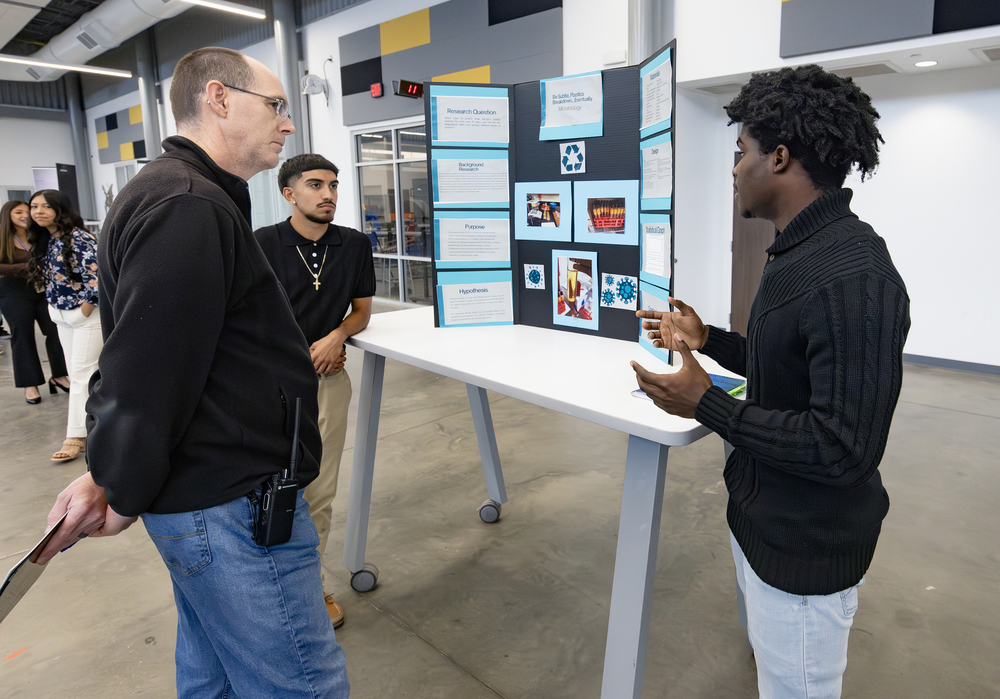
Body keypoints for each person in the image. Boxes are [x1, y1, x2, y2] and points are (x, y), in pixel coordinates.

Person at [37, 47, 349, 698]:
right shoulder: (188, 205)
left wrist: (109, 471)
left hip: (208, 500)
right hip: (232, 506)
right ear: (218, 98)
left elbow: (145, 349)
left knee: (215, 680)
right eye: (276, 106)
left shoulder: (177, 194)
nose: (287, 124)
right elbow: (146, 372)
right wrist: (120, 483)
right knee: (301, 685)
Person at [631, 65, 910, 699]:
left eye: (741, 152)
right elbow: (788, 365)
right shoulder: (798, 251)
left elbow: (842, 446)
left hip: (806, 554)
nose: (732, 169)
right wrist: (711, 342)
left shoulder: (853, 275)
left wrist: (707, 405)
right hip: (766, 523)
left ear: (779, 158)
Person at [254, 153, 375, 629]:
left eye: (333, 185)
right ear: (289, 193)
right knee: (269, 488)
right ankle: (270, 583)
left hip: (328, 385)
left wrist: (336, 337)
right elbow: (250, 319)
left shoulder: (354, 245)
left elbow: (362, 311)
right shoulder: (261, 244)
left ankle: (311, 586)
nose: (328, 194)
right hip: (269, 386)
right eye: (315, 185)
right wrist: (297, 355)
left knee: (318, 492)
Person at [27, 190, 100, 459]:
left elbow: (98, 276)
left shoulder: (80, 238)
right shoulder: (45, 239)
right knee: (76, 372)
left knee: (82, 374)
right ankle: (90, 429)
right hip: (60, 314)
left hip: (85, 316)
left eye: (46, 206)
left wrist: (85, 309)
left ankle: (75, 436)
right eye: (34, 206)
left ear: (61, 209)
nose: (39, 211)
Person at [0, 200, 70, 404]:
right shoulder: (3, 238)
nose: (25, 215)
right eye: (18, 212)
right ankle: (29, 385)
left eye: (27, 211)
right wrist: (25, 268)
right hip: (13, 291)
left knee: (55, 331)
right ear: (8, 216)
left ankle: (59, 376)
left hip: (43, 290)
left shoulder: (39, 235)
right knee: (23, 336)